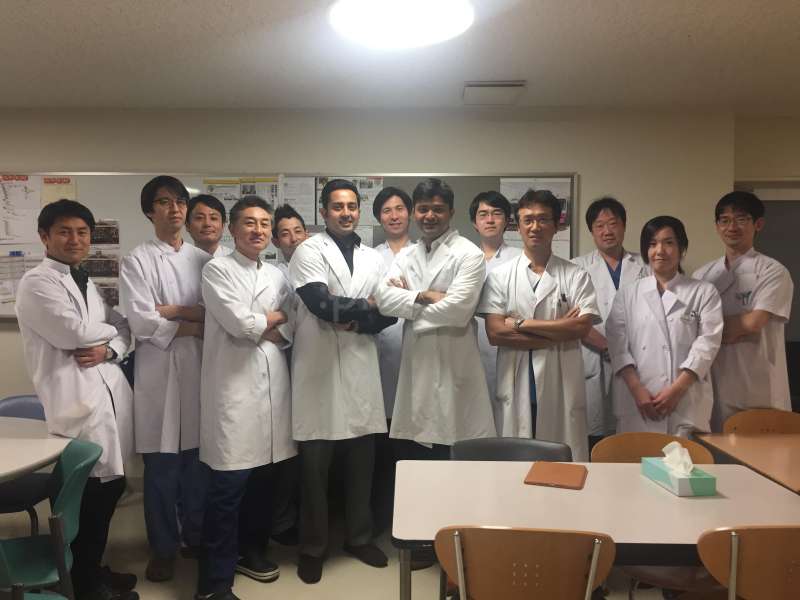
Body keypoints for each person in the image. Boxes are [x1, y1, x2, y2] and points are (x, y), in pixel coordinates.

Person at [16, 199, 138, 600]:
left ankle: (91, 569)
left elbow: (125, 329)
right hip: (77, 407)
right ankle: (84, 585)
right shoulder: (37, 283)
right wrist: (107, 332)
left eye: (82, 232)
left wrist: (110, 347)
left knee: (109, 490)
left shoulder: (85, 280)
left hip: (107, 399)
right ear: (44, 237)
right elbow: (73, 333)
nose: (75, 239)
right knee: (87, 499)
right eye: (64, 232)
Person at [289, 178, 396, 584]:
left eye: (352, 206)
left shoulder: (373, 258)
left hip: (360, 367)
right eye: (337, 206)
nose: (346, 213)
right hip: (317, 370)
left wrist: (357, 317)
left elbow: (390, 311)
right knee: (314, 470)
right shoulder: (309, 250)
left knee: (361, 464)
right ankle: (312, 547)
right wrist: (366, 306)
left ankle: (359, 537)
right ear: (323, 211)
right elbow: (319, 303)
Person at [196, 197, 296, 600]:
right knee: (228, 490)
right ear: (232, 230)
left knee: (263, 484)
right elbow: (239, 324)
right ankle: (213, 585)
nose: (258, 230)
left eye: (265, 224)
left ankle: (251, 552)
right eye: (250, 223)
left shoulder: (277, 274)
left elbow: (291, 323)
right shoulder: (216, 269)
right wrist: (269, 320)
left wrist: (267, 323)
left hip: (273, 390)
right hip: (233, 393)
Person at [119, 175, 209, 581]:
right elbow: (141, 322)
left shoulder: (203, 260)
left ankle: (196, 538)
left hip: (199, 370)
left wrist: (173, 312)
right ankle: (162, 548)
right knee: (160, 470)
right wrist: (193, 324)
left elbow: (216, 315)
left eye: (180, 202)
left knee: (196, 466)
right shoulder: (136, 261)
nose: (175, 209)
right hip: (157, 375)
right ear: (149, 211)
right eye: (164, 202)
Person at [376, 178, 495, 458]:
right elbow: (383, 300)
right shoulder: (406, 255)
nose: (430, 216)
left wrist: (407, 305)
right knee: (416, 453)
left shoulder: (469, 254)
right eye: (423, 209)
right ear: (414, 212)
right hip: (416, 366)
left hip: (454, 365)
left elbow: (458, 310)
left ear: (451, 212)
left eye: (438, 209)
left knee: (454, 450)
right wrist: (424, 296)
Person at [478, 189, 600, 461]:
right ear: (518, 226)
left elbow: (581, 328)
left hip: (561, 386)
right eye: (528, 219)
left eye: (543, 219)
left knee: (561, 468)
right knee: (515, 469)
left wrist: (520, 323)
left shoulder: (576, 276)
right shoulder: (500, 277)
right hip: (516, 384)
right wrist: (560, 328)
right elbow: (495, 333)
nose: (535, 227)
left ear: (556, 225)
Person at [607, 216, 723, 436]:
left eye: (669, 243)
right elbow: (617, 346)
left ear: (682, 248)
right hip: (637, 400)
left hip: (686, 400)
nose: (660, 250)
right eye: (652, 244)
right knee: (635, 456)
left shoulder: (703, 292)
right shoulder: (627, 294)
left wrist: (677, 390)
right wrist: (637, 389)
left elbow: (708, 344)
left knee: (684, 457)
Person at [693, 192, 794, 430]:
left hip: (758, 386)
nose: (732, 227)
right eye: (724, 220)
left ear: (758, 224)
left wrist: (709, 331)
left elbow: (754, 323)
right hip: (714, 384)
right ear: (717, 226)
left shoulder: (772, 271)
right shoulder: (703, 275)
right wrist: (733, 327)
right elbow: (690, 330)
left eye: (741, 219)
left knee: (763, 451)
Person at [572, 197, 648, 450]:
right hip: (594, 357)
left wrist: (623, 352)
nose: (607, 231)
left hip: (638, 359)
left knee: (632, 435)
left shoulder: (646, 265)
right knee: (595, 433)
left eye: (613, 224)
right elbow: (572, 318)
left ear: (624, 226)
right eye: (599, 225)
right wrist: (608, 347)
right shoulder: (577, 267)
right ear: (591, 231)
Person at [370, 186, 413, 532]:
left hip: (418, 350)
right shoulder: (370, 258)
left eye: (400, 208)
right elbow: (368, 301)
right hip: (379, 353)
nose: (394, 215)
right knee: (383, 446)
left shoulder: (426, 253)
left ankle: (414, 517)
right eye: (387, 210)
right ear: (378, 218)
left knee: (414, 442)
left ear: (410, 213)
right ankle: (383, 519)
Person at [469, 191, 522, 404]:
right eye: (483, 214)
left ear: (507, 220)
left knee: (509, 409)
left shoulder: (521, 258)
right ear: (474, 223)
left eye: (496, 213)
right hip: (471, 346)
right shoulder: (464, 259)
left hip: (510, 346)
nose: (490, 220)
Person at [272, 203, 309, 278]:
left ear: (306, 235)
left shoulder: (324, 266)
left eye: (298, 231)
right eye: (285, 234)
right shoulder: (275, 276)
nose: (294, 239)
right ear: (276, 242)